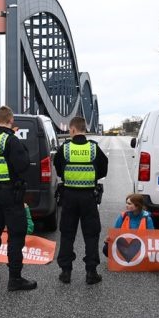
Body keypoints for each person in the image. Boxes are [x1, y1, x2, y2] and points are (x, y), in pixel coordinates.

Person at [0, 106, 36, 291]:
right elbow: (23, 165)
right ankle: (15, 279)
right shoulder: (11, 140)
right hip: (11, 194)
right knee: (16, 236)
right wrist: (18, 142)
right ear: (11, 121)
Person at [54, 116, 108, 285]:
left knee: (67, 233)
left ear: (72, 130)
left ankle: (66, 272)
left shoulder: (65, 148)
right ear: (84, 129)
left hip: (69, 196)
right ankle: (91, 272)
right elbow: (103, 170)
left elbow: (58, 167)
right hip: (88, 197)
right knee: (91, 234)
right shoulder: (93, 148)